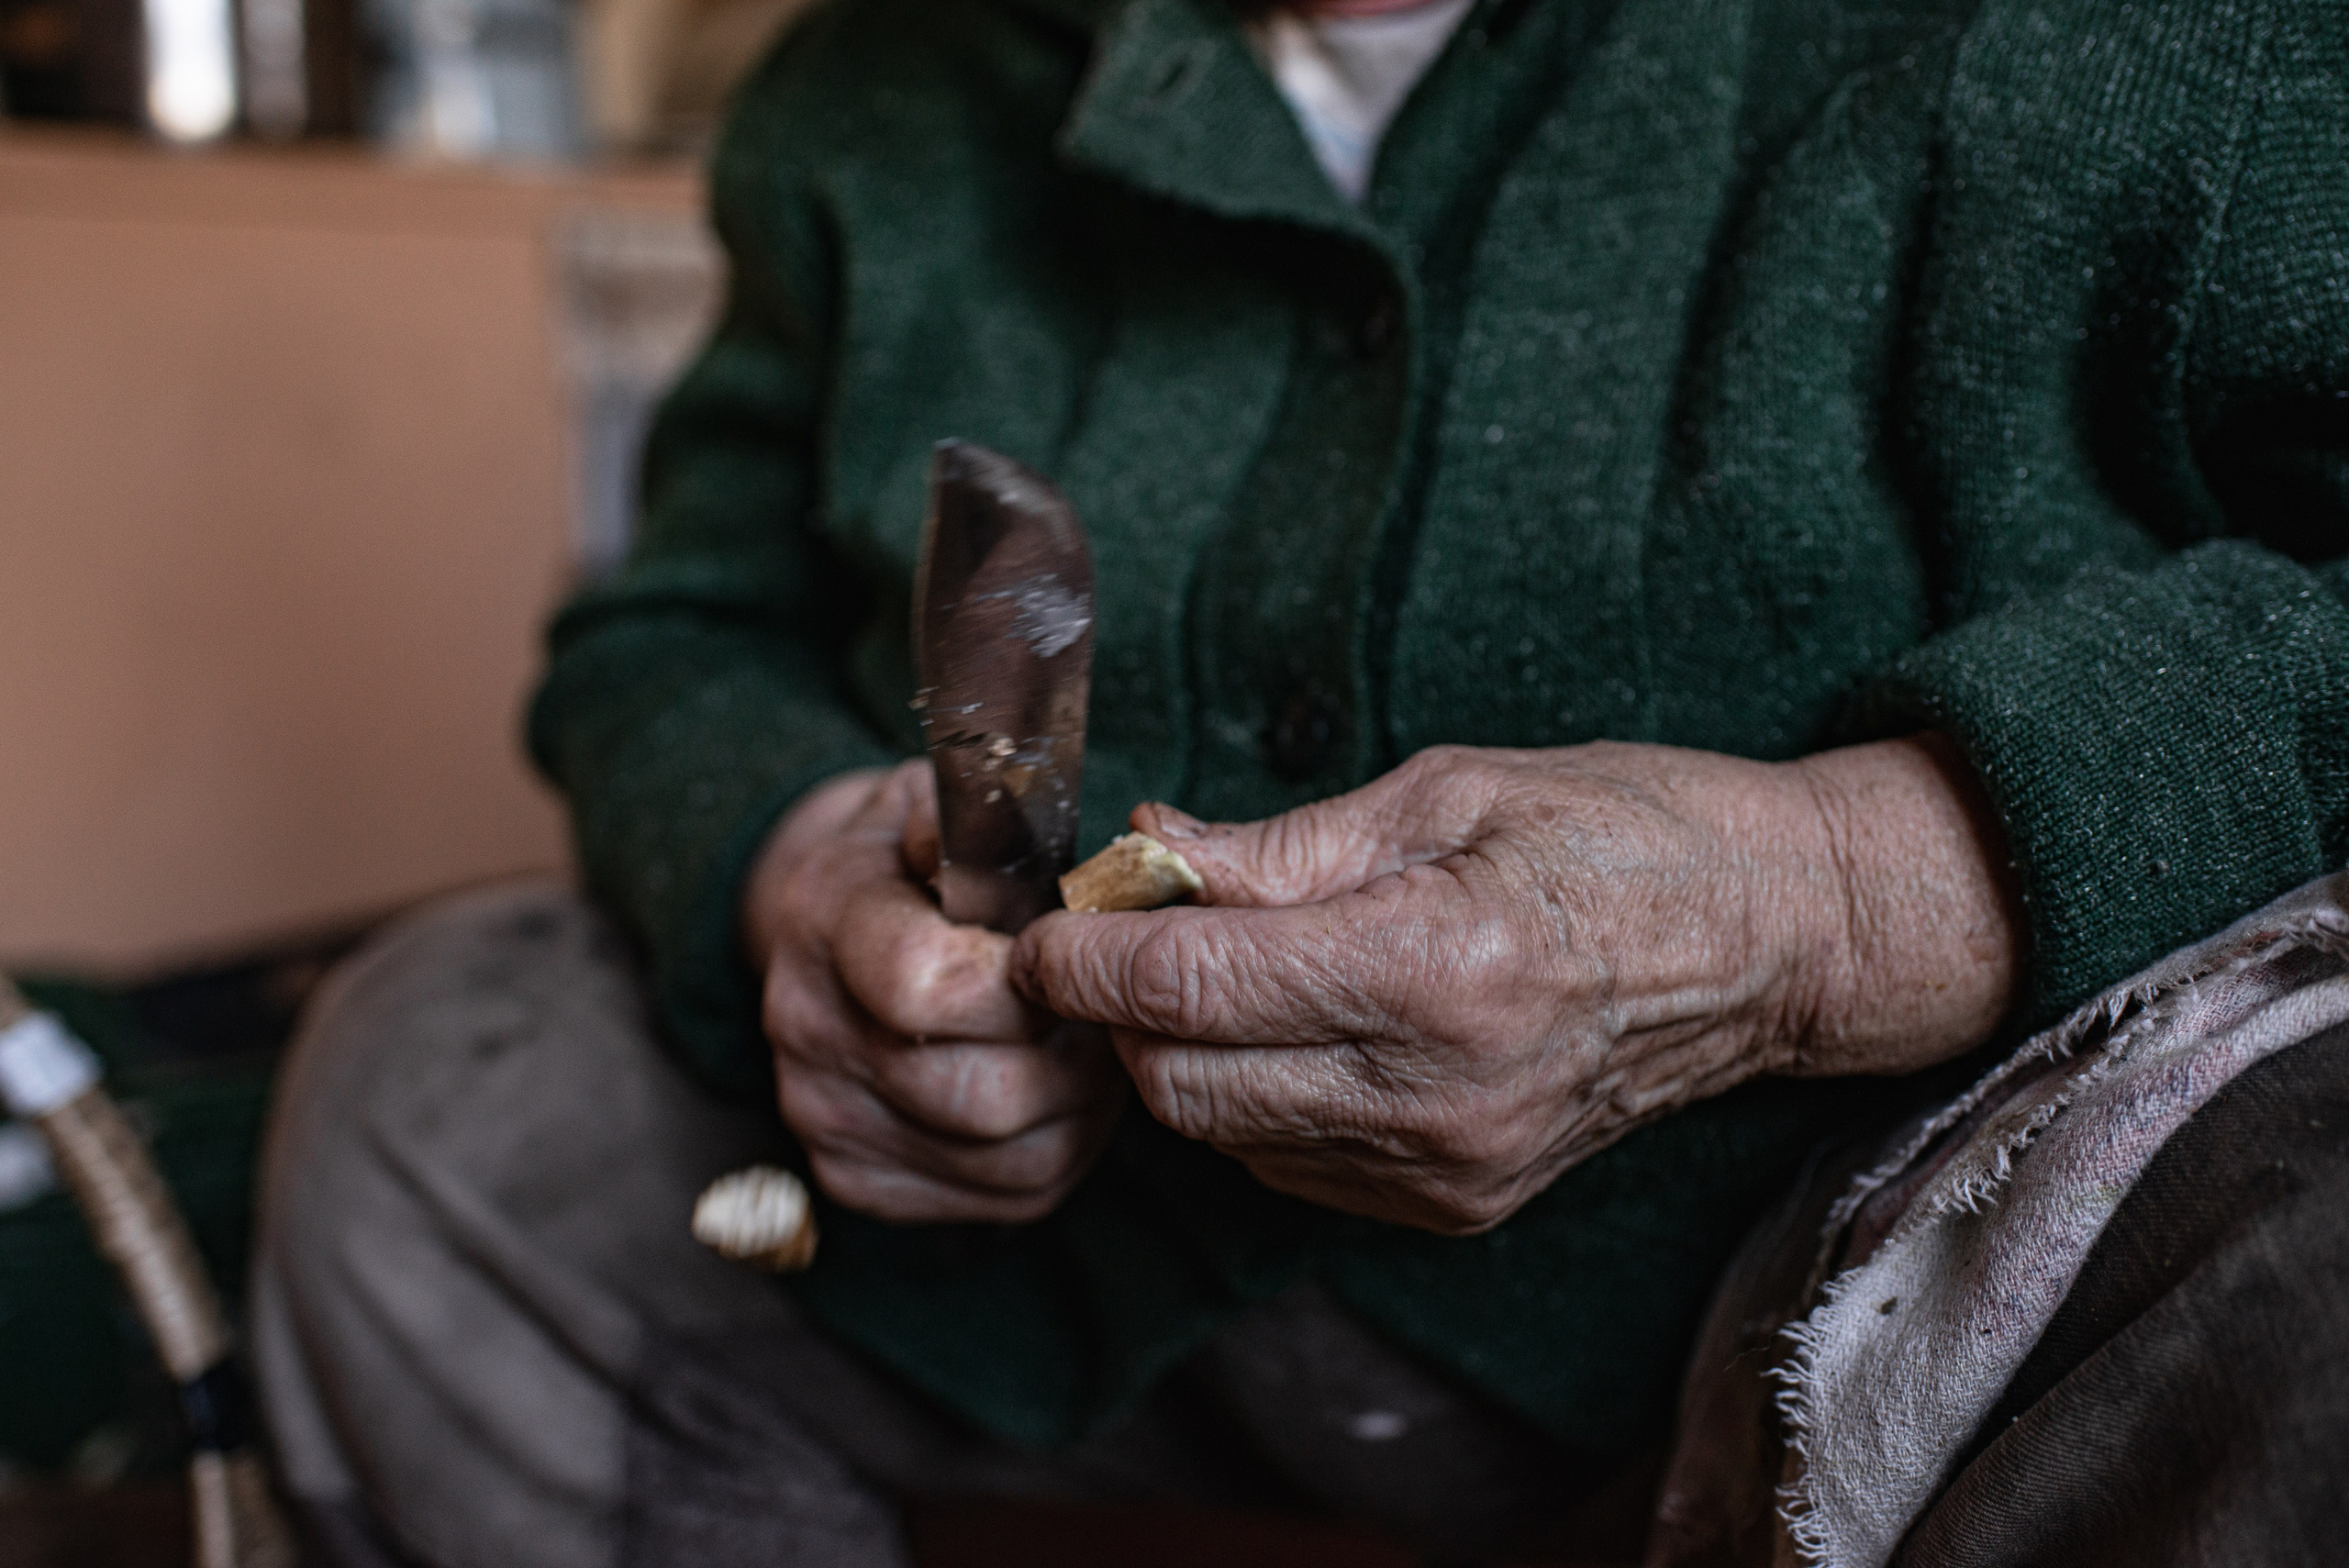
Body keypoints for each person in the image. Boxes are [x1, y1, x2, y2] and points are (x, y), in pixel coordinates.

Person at [250, 0, 2349, 1563]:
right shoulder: (865, 89)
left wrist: (1843, 901)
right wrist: (792, 870)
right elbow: (673, 635)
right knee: (433, 1079)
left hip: (1863, 1294)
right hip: (1032, 1284)